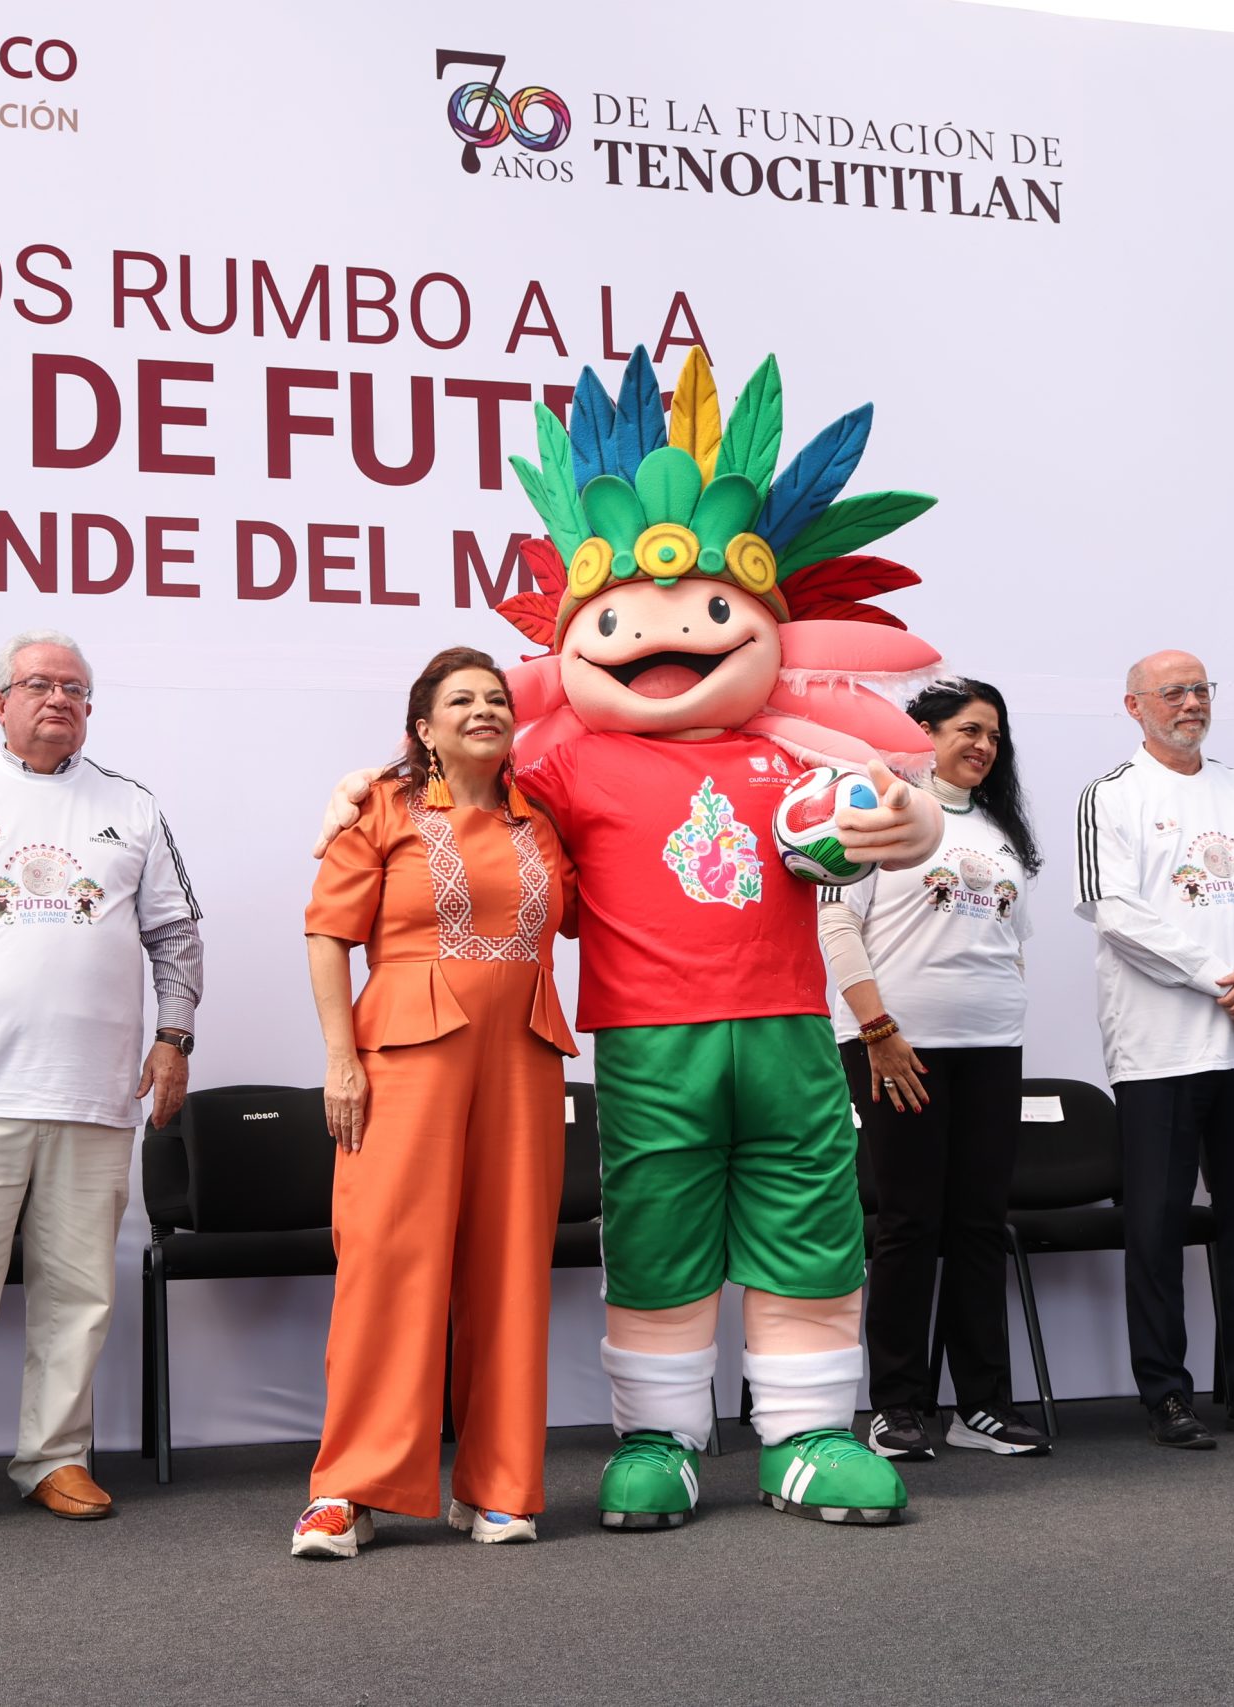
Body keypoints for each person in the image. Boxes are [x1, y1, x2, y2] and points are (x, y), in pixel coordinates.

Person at [317, 347, 947, 1531]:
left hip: (785, 1029)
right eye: (620, 619)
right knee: (655, 1226)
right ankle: (657, 1436)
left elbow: (892, 819)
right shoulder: (557, 760)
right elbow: (464, 794)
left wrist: (902, 819)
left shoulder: (792, 750)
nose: (675, 637)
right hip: (648, 1037)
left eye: (717, 612)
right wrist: (378, 780)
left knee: (807, 1217)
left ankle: (806, 1431)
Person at [0, 630, 202, 1536]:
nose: (58, 698)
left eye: (75, 688)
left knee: (78, 1292)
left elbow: (176, 936)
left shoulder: (131, 806)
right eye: (39, 684)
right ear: (0, 704)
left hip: (95, 1095)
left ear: (91, 707)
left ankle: (55, 1456)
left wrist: (174, 1039)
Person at [290, 648, 578, 1560]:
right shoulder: (379, 804)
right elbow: (328, 935)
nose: (486, 709)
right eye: (462, 699)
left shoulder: (544, 821)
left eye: (497, 697)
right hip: (403, 1057)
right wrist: (342, 1061)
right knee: (387, 1262)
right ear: (425, 726)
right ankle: (349, 1491)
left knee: (509, 1267)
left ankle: (498, 1487)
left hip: (524, 1056)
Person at [1073, 650, 1234, 1449]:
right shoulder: (1111, 794)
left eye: (1200, 689)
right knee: (1155, 1222)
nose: (1190, 702)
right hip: (1161, 1048)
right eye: (1173, 691)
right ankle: (1167, 1394)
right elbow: (1116, 913)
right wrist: (1229, 980)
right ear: (1133, 704)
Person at [822, 679, 1049, 1460]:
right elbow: (837, 924)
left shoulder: (1001, 828)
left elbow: (1012, 937)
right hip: (896, 1043)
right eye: (967, 729)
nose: (983, 745)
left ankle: (980, 1404)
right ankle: (897, 1405)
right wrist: (878, 1028)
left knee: (979, 1223)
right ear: (922, 732)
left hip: (991, 1044)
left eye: (993, 734)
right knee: (911, 1223)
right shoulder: (880, 804)